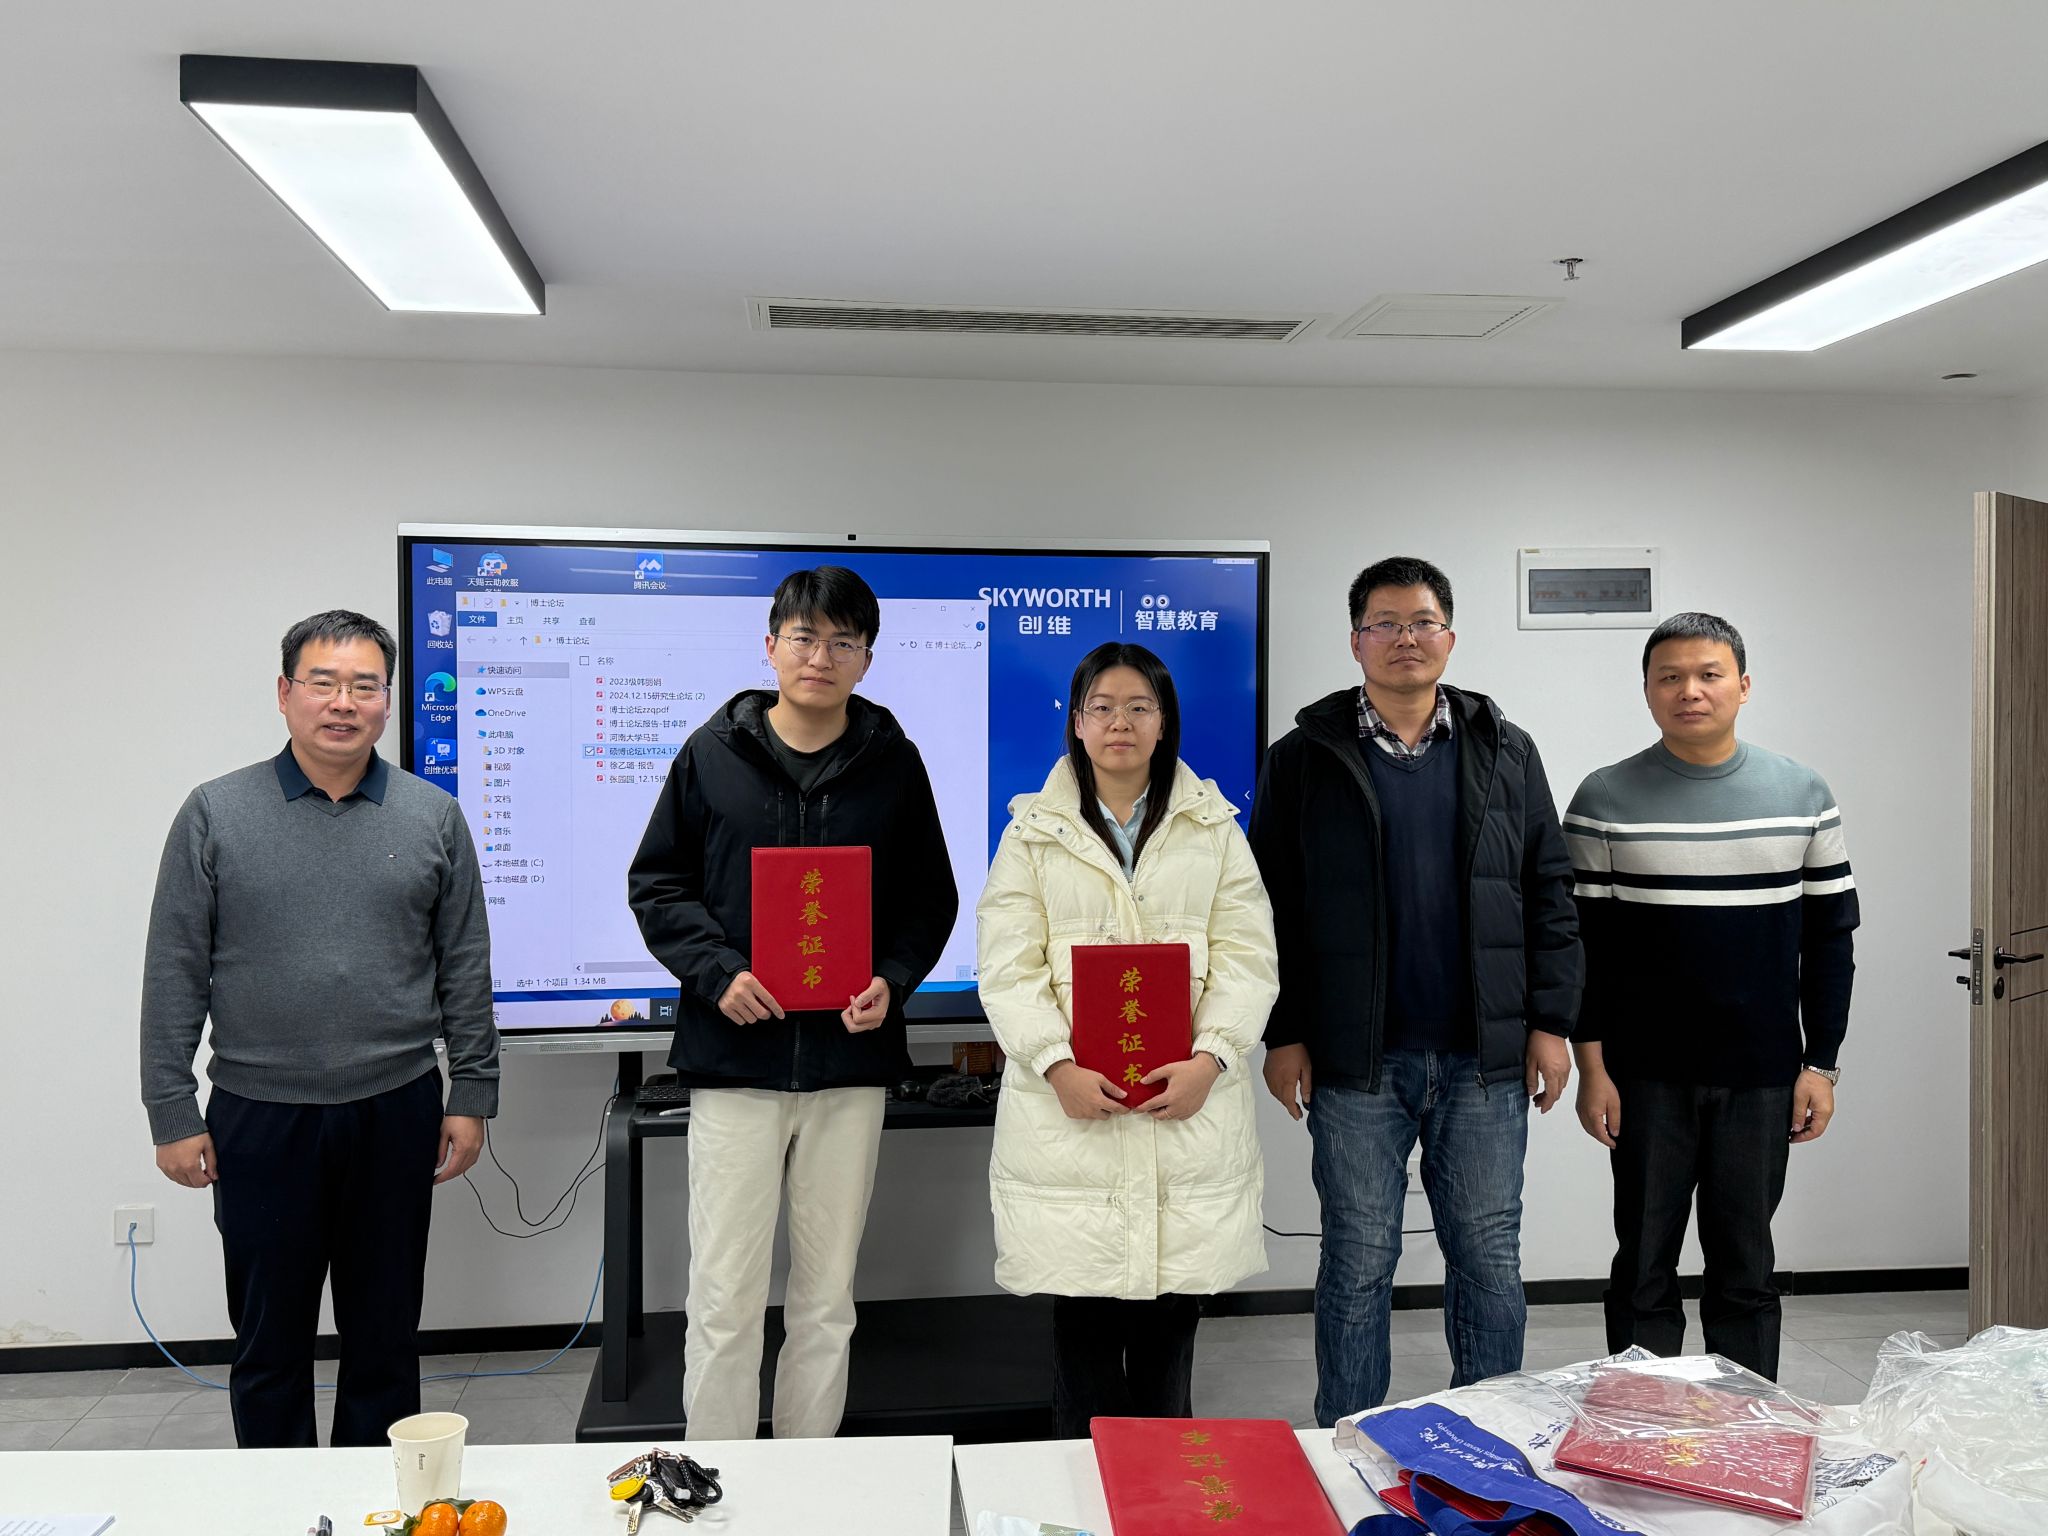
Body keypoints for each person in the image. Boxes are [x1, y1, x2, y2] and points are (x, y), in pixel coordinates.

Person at [140, 609, 499, 1449]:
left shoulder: (432, 816)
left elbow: (465, 965)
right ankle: (279, 1499)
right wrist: (171, 1110)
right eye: (323, 682)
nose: (343, 703)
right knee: (269, 1341)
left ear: (387, 700)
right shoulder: (216, 812)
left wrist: (473, 1092)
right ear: (284, 692)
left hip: (397, 1105)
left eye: (364, 686)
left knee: (385, 1338)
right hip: (259, 1114)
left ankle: (379, 1497)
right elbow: (174, 969)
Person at [1249, 555, 1582, 1427]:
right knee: (1358, 1260)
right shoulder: (1303, 759)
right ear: (1355, 640)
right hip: (1355, 1059)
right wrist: (1284, 1033)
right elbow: (1266, 907)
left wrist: (1550, 1023)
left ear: (1450, 637)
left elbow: (1549, 890)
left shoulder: (1507, 749)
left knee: (1489, 1258)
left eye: (1423, 621)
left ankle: (1491, 1433)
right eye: (1386, 623)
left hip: (1484, 1058)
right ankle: (1349, 1438)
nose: (1406, 638)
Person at [628, 566, 957, 1441]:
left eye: (843, 642)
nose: (821, 656)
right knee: (724, 1295)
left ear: (866, 659)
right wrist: (717, 973)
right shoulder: (710, 755)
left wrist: (892, 978)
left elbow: (930, 897)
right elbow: (657, 884)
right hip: (734, 1061)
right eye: (805, 637)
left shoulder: (894, 764)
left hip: (849, 1065)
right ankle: (720, 1477)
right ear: (771, 646)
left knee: (827, 1297)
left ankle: (811, 1476)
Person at [977, 642, 1278, 1438]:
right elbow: (1007, 970)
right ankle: (1082, 1490)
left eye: (1139, 707)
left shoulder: (1214, 829)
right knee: (1080, 1329)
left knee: (1169, 1332)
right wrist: (1056, 1065)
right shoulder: (1031, 835)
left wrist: (1212, 1059)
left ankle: (1167, 1491)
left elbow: (1249, 959)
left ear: (1164, 722)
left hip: (1184, 1111)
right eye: (1103, 707)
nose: (1121, 723)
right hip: (1072, 1118)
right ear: (1077, 723)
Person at [1566, 612, 1856, 1380]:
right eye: (1670, 677)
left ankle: (1747, 1424)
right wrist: (1592, 1067)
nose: (1689, 690)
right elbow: (1582, 950)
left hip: (1762, 1075)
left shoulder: (1802, 793)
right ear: (1648, 690)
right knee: (1643, 1263)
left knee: (1746, 1267)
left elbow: (1831, 942)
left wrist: (1821, 1065)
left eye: (1708, 674)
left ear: (1743, 685)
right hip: (1643, 1077)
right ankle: (1640, 1422)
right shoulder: (1603, 797)